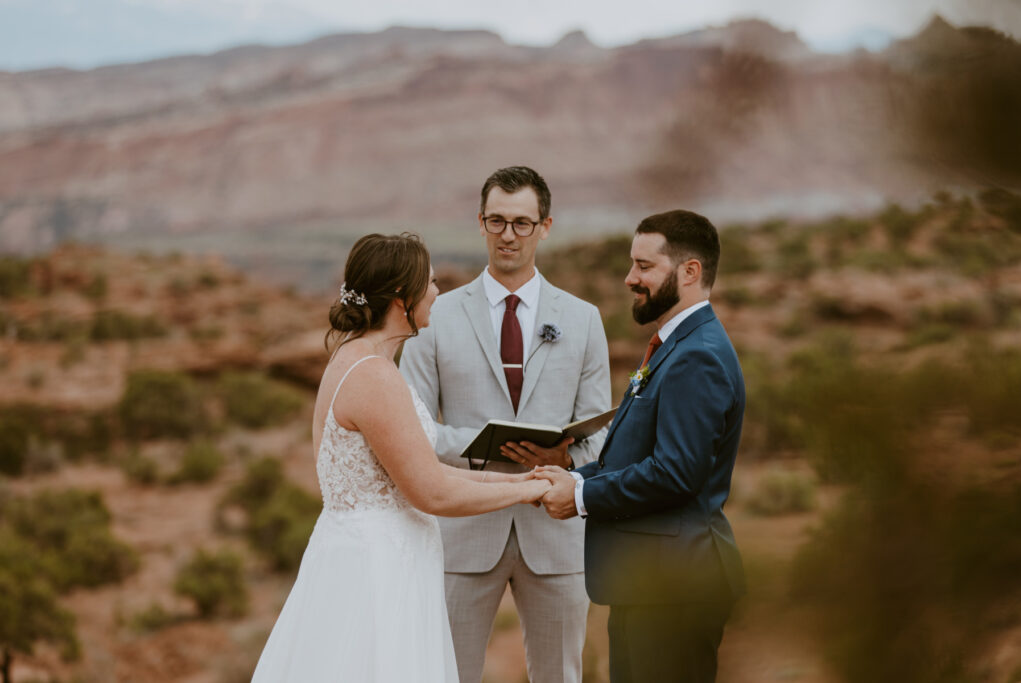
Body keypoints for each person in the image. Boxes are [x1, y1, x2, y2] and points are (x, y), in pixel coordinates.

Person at [251, 233, 552, 683]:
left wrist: (524, 480)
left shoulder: (359, 359)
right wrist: (527, 494)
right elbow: (432, 491)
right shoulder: (373, 376)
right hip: (376, 571)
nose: (437, 292)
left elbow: (429, 472)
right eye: (429, 283)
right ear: (401, 298)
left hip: (367, 554)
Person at [400, 166, 611, 683]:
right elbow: (413, 425)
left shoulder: (584, 319)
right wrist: (487, 446)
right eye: (497, 221)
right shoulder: (435, 317)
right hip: (463, 534)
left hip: (556, 532)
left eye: (521, 223)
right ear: (480, 223)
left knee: (562, 675)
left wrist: (565, 458)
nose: (508, 235)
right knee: (445, 673)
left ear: (545, 226)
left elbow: (603, 433)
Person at [530, 210, 746, 683]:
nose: (631, 278)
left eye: (645, 266)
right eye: (633, 264)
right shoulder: (675, 345)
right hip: (649, 583)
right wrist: (573, 476)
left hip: (676, 589)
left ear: (689, 272)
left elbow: (676, 473)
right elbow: (636, 457)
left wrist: (581, 498)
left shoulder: (698, 356)